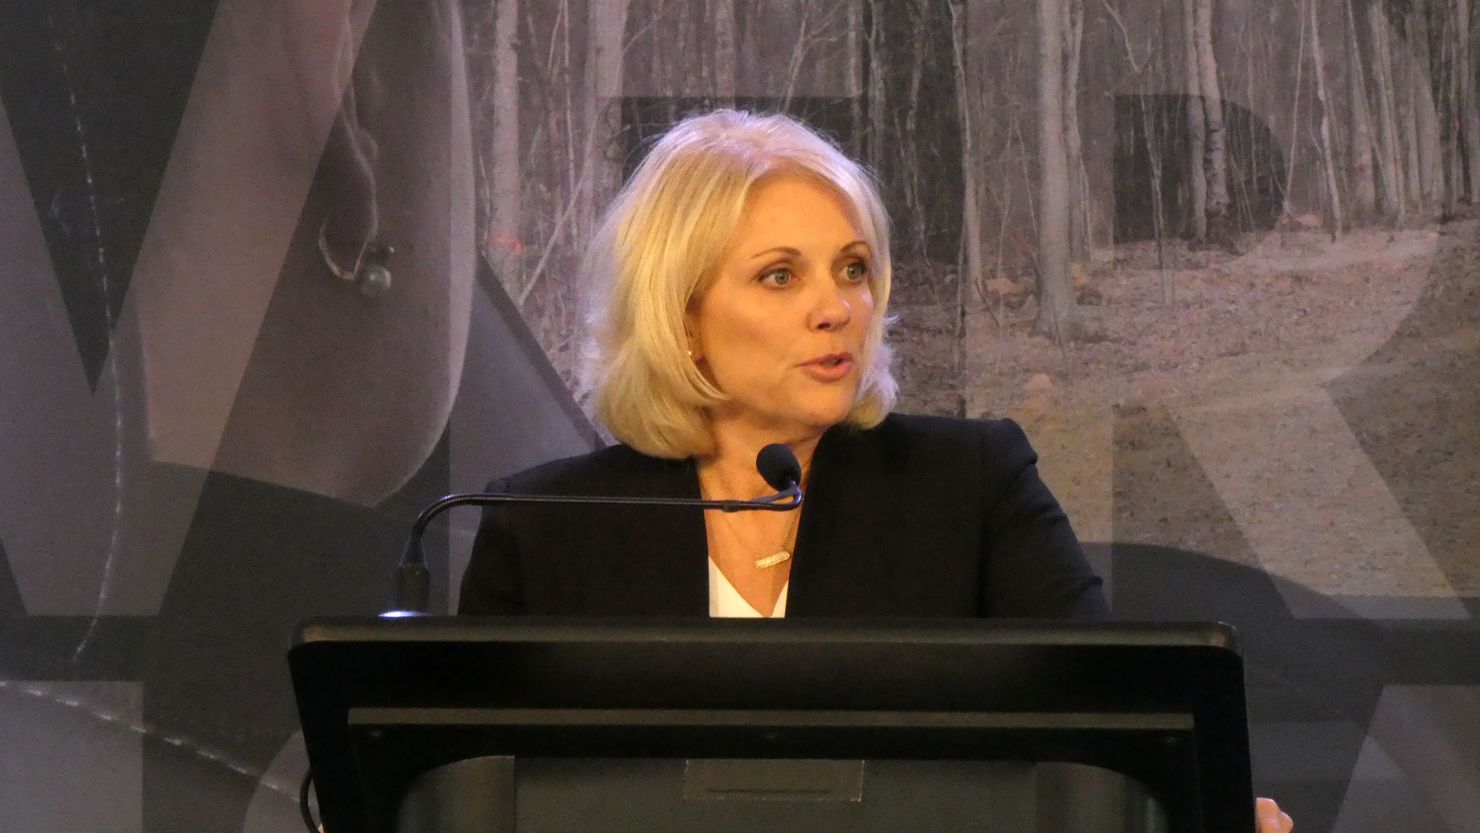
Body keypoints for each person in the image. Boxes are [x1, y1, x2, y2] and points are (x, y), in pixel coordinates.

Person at [458, 110, 1291, 833]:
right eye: (780, 275)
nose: (838, 307)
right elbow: (466, 791)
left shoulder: (969, 486)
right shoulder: (546, 523)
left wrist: (1203, 810)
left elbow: (1124, 731)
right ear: (682, 316)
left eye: (853, 269)